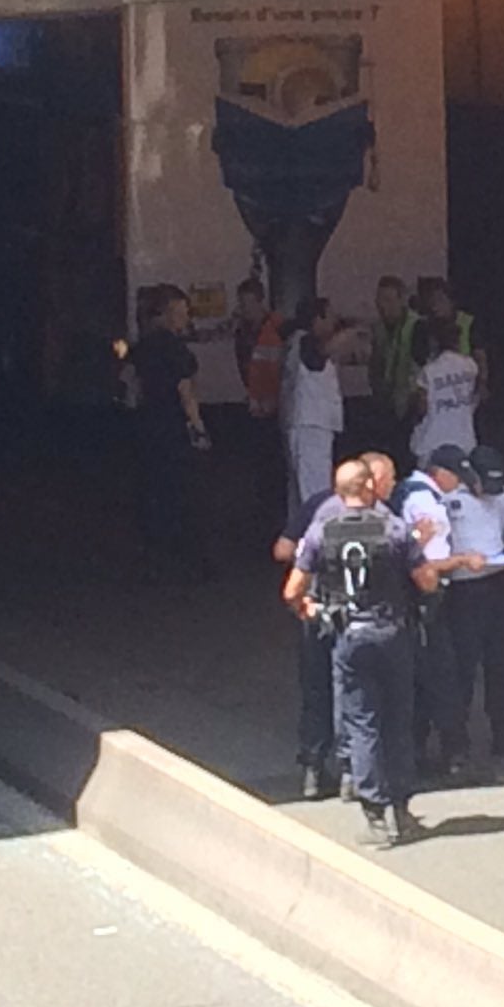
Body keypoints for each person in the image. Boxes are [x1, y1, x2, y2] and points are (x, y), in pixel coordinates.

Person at [283, 458, 483, 846]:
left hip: (348, 636)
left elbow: (292, 589)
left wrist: (306, 610)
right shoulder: (393, 527)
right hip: (392, 633)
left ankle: (373, 813)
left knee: (361, 724)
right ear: (370, 487)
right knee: (397, 720)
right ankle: (402, 810)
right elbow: (426, 580)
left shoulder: (322, 531)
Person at [440, 444, 504, 765]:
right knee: (462, 668)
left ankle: (503, 734)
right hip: (463, 588)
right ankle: (457, 743)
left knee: (500, 664)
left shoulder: (502, 494)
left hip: (497, 582)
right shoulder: (450, 499)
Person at [130, 283, 213, 582]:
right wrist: (198, 426)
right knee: (183, 489)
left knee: (153, 486)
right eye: (182, 312)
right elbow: (185, 390)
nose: (186, 317)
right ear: (169, 314)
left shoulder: (143, 347)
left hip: (148, 424)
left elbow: (135, 387)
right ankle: (188, 555)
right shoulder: (175, 350)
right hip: (173, 425)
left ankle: (155, 549)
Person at [403, 444, 475, 781]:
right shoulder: (424, 501)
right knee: (441, 676)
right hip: (425, 600)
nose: (457, 484)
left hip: (411, 601)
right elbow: (427, 564)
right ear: (439, 473)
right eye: (456, 476)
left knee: (417, 677)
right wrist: (461, 561)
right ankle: (452, 756)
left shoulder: (410, 493)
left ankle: (415, 752)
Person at [274, 472, 344, 801]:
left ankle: (313, 771)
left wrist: (310, 560)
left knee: (316, 690)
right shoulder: (380, 515)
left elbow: (282, 550)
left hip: (314, 607)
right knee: (354, 693)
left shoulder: (316, 505)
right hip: (355, 614)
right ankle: (352, 773)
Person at [282, 298, 353, 516]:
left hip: (309, 424)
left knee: (307, 490)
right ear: (317, 319)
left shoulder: (297, 342)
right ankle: (317, 541)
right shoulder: (305, 342)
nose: (334, 322)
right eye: (329, 316)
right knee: (316, 491)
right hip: (311, 426)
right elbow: (317, 357)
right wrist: (346, 336)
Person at [233, 275, 286, 518]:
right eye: (242, 304)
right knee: (261, 469)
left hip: (276, 410)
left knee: (275, 469)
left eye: (248, 303)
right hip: (257, 409)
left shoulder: (276, 329)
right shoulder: (244, 332)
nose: (244, 309)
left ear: (261, 302)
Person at [407, 317, 479, 464]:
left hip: (432, 444)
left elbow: (421, 408)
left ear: (432, 342)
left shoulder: (429, 372)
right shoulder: (471, 366)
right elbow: (476, 398)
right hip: (464, 442)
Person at [368, 275, 421, 457]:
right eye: (379, 300)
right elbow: (376, 363)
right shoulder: (378, 328)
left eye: (389, 300)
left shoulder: (417, 325)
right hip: (386, 404)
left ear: (402, 300)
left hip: (410, 406)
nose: (383, 306)